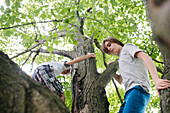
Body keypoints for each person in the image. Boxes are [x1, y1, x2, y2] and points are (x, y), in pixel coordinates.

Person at [101, 37, 170, 113]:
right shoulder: (120, 61)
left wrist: (156, 80)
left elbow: (146, 58)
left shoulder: (127, 47)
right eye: (107, 50)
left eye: (109, 45)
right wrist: (112, 72)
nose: (109, 49)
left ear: (116, 42)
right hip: (128, 94)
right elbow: (120, 80)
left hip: (138, 88)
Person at [32, 53, 96, 102]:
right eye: (66, 72)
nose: (64, 73)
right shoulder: (61, 65)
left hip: (35, 77)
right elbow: (75, 61)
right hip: (43, 71)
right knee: (61, 95)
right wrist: (88, 56)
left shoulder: (53, 67)